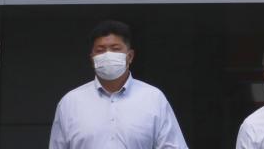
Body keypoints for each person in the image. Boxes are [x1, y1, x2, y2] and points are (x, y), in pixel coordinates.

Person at [48, 20, 189, 149]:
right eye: (100, 50)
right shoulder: (70, 102)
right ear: (92, 59)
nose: (108, 54)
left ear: (130, 56)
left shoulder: (153, 98)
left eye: (115, 49)